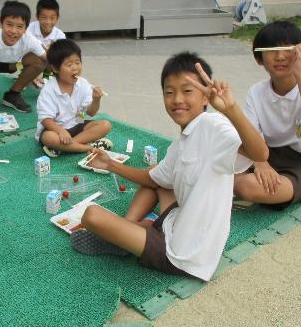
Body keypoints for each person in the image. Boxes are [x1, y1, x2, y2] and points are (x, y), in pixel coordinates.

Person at [70, 52, 268, 281]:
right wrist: (110, 164)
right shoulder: (181, 141)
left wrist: (231, 108)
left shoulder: (214, 124)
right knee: (160, 184)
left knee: (92, 215)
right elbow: (153, 179)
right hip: (176, 223)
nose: (177, 100)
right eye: (169, 92)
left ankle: (123, 236)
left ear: (206, 97)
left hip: (182, 255)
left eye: (187, 91)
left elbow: (259, 153)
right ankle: (128, 230)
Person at [234, 21, 301, 208]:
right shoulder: (256, 92)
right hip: (269, 153)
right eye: (271, 50)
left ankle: (241, 186)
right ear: (259, 59)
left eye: (288, 49)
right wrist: (261, 163)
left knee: (246, 187)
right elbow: (249, 138)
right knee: (218, 148)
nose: (280, 56)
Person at [35, 39, 112, 158]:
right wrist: (60, 131)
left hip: (77, 125)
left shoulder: (83, 84)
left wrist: (96, 99)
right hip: (55, 129)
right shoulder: (49, 90)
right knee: (48, 137)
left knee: (105, 125)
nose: (75, 68)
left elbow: (91, 113)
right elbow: (46, 119)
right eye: (69, 64)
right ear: (55, 69)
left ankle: (64, 147)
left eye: (78, 62)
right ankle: (90, 147)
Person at [27, 0, 66, 88]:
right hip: (28, 60)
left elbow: (60, 58)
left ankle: (46, 81)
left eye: (52, 18)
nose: (48, 22)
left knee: (56, 58)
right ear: (37, 17)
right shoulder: (28, 29)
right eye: (44, 17)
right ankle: (27, 77)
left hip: (47, 62)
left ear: (58, 18)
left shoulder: (60, 36)